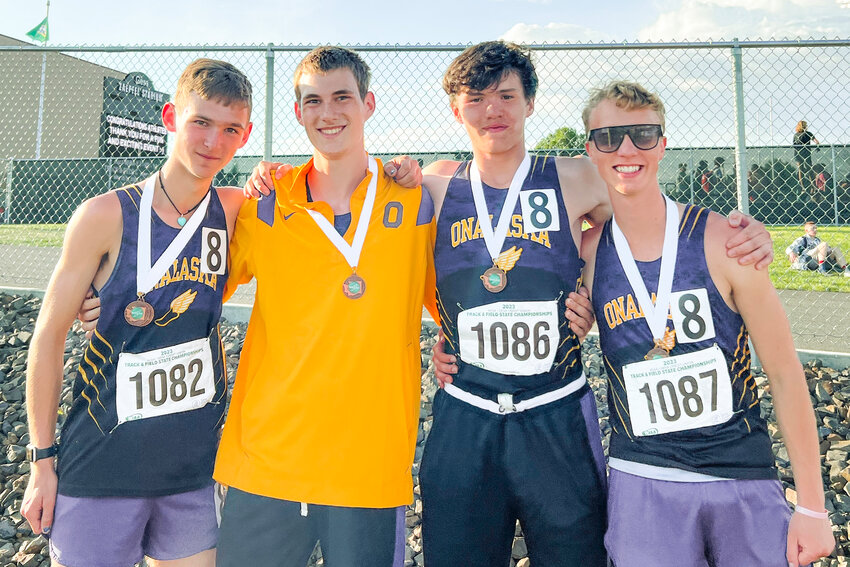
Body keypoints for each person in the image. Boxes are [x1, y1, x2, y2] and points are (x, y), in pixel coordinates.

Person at [416, 42, 775, 567]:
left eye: (507, 95)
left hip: (556, 411)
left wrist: (741, 231)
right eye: (476, 98)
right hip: (466, 413)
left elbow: (650, 218)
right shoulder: (433, 190)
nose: (493, 110)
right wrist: (441, 331)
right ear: (455, 109)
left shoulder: (576, 176)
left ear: (530, 103)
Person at [579, 80, 833, 566]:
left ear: (663, 144)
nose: (626, 149)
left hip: (740, 474)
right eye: (609, 137)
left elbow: (782, 371)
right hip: (643, 479)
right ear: (591, 149)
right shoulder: (588, 254)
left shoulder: (726, 242)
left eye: (643, 135)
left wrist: (814, 507)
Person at [20, 59, 255, 567]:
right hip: (102, 459)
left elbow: (317, 196)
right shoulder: (104, 214)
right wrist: (41, 460)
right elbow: (48, 336)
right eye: (201, 123)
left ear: (246, 135)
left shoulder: (237, 209)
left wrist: (400, 172)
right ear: (171, 117)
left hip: (193, 467)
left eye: (230, 129)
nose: (214, 142)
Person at [213, 46, 438, 567]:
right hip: (268, 462)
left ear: (369, 104)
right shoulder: (267, 203)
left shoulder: (415, 200)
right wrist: (101, 299)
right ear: (297, 112)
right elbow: (194, 291)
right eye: (313, 100)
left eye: (342, 97)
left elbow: (464, 295)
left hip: (368, 467)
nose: (328, 112)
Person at [793, 120, 820, 194]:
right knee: (809, 170)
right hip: (806, 154)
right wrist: (817, 146)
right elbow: (816, 141)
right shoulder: (807, 134)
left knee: (800, 171)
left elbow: (794, 145)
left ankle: (803, 188)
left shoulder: (796, 135)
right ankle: (813, 187)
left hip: (798, 154)